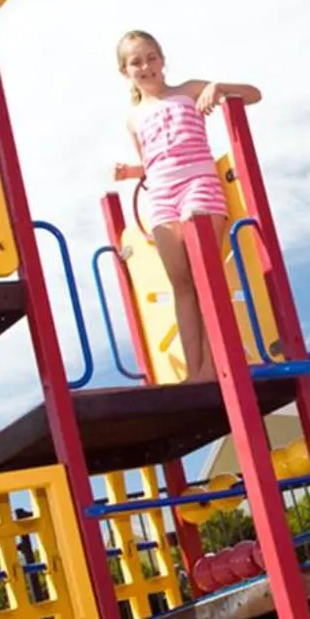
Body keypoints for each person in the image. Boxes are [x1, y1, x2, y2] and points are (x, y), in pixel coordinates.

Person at [112, 29, 262, 385]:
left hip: (199, 185)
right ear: (125, 72)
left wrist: (219, 87)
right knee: (181, 284)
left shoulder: (189, 90)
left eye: (151, 57)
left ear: (163, 60)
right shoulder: (133, 117)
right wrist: (131, 171)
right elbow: (149, 162)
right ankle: (194, 371)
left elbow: (254, 95)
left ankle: (215, 364)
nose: (146, 66)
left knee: (204, 275)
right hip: (162, 196)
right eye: (136, 62)